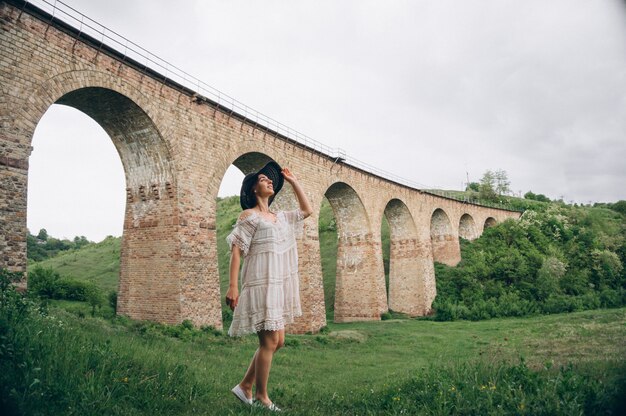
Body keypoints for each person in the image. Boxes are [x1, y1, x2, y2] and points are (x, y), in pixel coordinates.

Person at [225, 161, 312, 411]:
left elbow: (306, 210)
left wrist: (293, 181)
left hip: (277, 284)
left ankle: (244, 386)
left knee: (278, 341)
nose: (269, 181)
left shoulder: (280, 217)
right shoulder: (249, 216)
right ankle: (262, 398)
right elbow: (236, 253)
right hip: (260, 283)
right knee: (269, 342)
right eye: (263, 179)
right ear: (253, 188)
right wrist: (233, 286)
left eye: (271, 180)